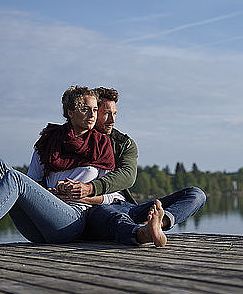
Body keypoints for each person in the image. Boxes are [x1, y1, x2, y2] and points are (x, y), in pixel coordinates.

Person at [0, 86, 120, 255]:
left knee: (15, 178)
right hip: (38, 226)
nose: (93, 115)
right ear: (70, 112)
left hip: (71, 223)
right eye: (85, 109)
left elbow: (113, 196)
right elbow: (32, 183)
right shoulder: (48, 141)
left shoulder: (101, 144)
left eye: (95, 109)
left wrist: (80, 194)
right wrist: (49, 194)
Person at [58, 87, 206, 247]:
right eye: (106, 113)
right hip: (97, 209)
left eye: (115, 114)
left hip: (127, 206)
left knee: (196, 195)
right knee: (113, 217)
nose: (112, 120)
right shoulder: (75, 142)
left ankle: (157, 224)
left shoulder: (123, 143)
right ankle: (142, 233)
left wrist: (90, 188)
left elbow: (127, 176)